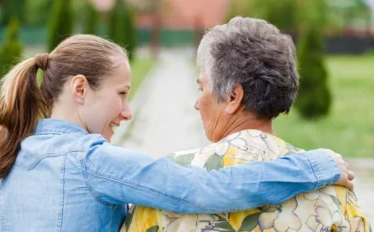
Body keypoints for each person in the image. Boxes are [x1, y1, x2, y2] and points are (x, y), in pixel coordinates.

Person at [0, 34, 353, 232]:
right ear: (80, 89)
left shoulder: (10, 158)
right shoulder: (92, 161)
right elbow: (208, 190)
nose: (127, 111)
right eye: (122, 94)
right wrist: (315, 166)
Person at [123, 17, 371, 232]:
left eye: (202, 88)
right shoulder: (335, 187)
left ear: (233, 97)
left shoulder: (169, 182)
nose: (197, 103)